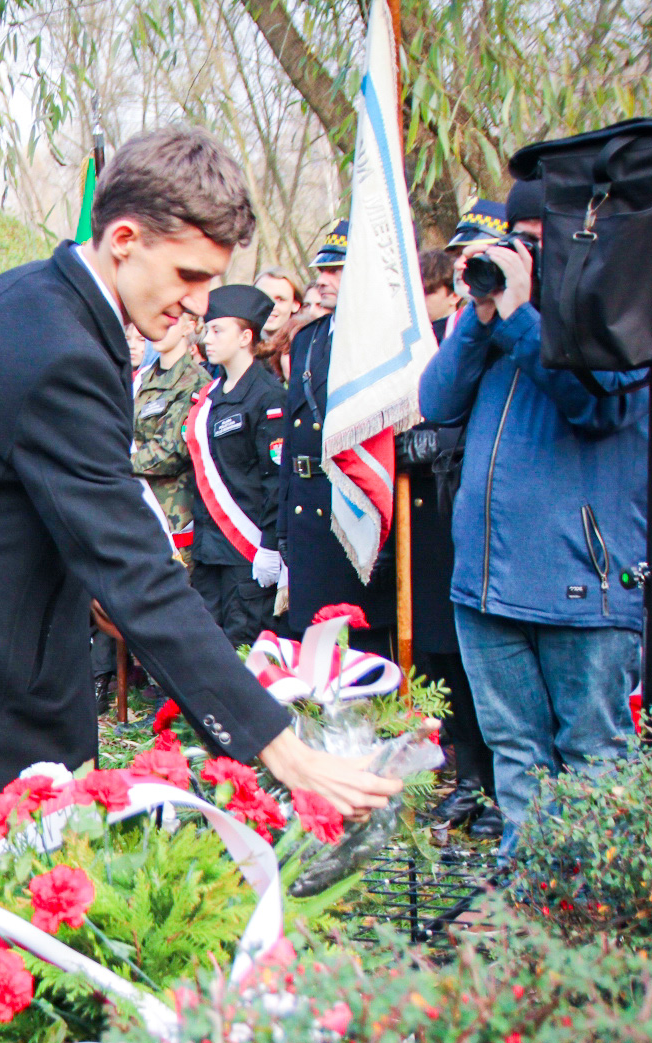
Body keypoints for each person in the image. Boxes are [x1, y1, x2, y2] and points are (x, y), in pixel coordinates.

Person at [0, 126, 403, 831]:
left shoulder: (32, 295)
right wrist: (281, 747)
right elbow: (132, 570)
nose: (202, 303)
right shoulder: (58, 350)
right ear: (126, 240)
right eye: (190, 276)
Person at [416, 177, 649, 859]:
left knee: (592, 755)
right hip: (487, 585)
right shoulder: (495, 321)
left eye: (543, 244)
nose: (527, 257)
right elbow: (437, 402)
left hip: (583, 587)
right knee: (514, 751)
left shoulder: (619, 314)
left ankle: (593, 903)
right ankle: (527, 895)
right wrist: (481, 316)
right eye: (518, 242)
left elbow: (598, 405)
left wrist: (522, 321)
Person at [405, 241, 498, 837]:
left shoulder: (474, 332)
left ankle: (491, 786)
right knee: (440, 658)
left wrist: (442, 443)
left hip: (465, 511)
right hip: (424, 519)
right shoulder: (414, 339)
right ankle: (467, 778)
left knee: (473, 662)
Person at [275, 219, 399, 654]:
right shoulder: (308, 337)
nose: (323, 279)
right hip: (308, 509)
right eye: (322, 270)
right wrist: (283, 528)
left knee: (364, 646)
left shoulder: (384, 340)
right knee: (315, 644)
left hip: (355, 508)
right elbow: (292, 437)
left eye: (336, 270)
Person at [186, 284, 287, 650]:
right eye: (207, 329)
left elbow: (275, 479)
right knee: (206, 650)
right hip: (209, 547)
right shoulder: (210, 397)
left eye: (217, 330)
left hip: (247, 550)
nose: (207, 339)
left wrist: (270, 547)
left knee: (244, 651)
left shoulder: (268, 395)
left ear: (246, 337)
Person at [129, 307, 204, 539]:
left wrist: (113, 463)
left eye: (171, 320)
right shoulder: (142, 378)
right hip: (134, 510)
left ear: (189, 327)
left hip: (171, 519)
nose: (160, 328)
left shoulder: (196, 381)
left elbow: (170, 452)